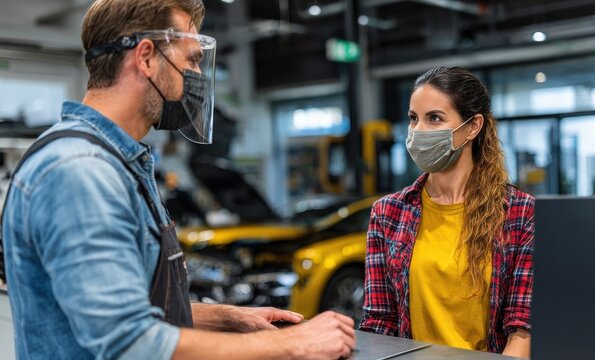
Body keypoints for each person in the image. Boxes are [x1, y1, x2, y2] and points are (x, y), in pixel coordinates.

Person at [0, 0, 355, 359]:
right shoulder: (81, 171)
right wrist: (290, 343)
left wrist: (226, 317)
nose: (197, 76)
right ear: (147, 57)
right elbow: (129, 342)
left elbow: (127, 307)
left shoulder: (115, 161)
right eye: (192, 59)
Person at [359, 66, 534, 358]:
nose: (418, 131)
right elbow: (379, 322)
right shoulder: (388, 214)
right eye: (413, 119)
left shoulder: (519, 213)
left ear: (472, 127)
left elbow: (522, 329)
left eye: (435, 118)